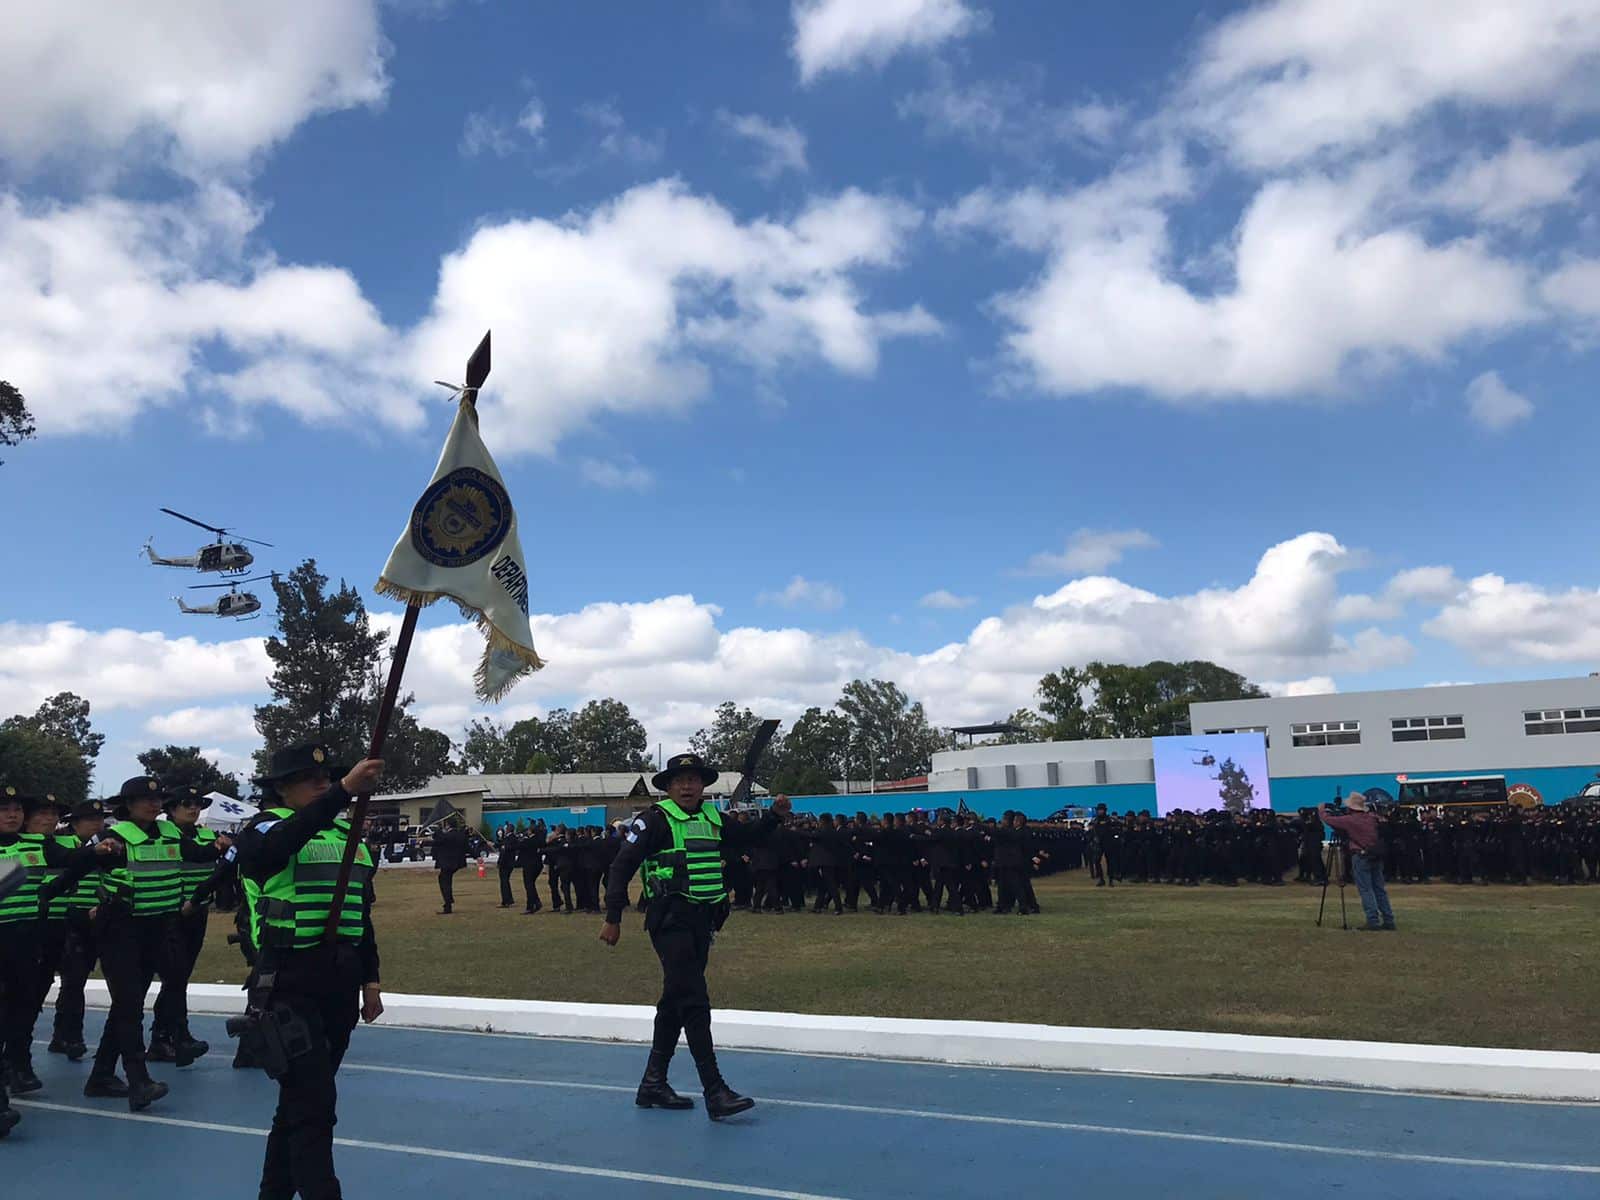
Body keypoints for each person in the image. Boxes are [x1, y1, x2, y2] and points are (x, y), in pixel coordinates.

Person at [600, 753, 791, 1119]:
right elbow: (621, 865)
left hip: (703, 922)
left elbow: (749, 836)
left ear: (703, 785)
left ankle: (653, 1084)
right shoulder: (653, 821)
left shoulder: (713, 818)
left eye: (693, 780)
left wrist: (774, 817)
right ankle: (714, 1090)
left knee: (675, 1002)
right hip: (669, 920)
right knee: (695, 1000)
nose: (687, 786)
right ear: (668, 787)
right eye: (679, 781)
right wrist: (613, 917)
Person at [234, 741, 385, 1200]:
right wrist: (340, 792)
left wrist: (371, 980)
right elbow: (275, 849)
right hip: (287, 983)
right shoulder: (262, 829)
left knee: (299, 1108)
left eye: (326, 777)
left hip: (338, 983)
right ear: (281, 789)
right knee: (315, 1107)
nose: (321, 782)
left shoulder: (349, 838)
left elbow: (361, 914)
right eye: (310, 778)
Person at [150, 787, 229, 1063]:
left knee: (179, 978)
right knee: (175, 976)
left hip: (198, 912)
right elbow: (199, 855)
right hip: (172, 912)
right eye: (186, 803)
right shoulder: (163, 835)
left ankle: (165, 1036)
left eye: (197, 804)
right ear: (171, 810)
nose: (193, 809)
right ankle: (174, 1036)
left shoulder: (208, 835)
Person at [48, 798, 110, 1060]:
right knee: (73, 980)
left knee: (77, 980)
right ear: (74, 823)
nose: (97, 824)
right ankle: (71, 1036)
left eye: (100, 819)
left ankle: (62, 1035)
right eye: (90, 820)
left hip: (97, 920)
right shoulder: (60, 845)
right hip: (67, 918)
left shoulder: (107, 848)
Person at [1319, 790, 1395, 932]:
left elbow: (1330, 821)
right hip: (1375, 854)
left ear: (1351, 808)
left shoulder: (1350, 820)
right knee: (1379, 889)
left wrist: (1322, 811)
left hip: (1361, 856)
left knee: (1366, 889)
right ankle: (1388, 919)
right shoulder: (1372, 817)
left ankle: (1373, 920)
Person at [430, 820, 468, 914]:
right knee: (447, 880)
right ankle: (448, 901)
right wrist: (476, 856)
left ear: (448, 826)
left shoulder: (447, 836)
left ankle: (448, 903)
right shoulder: (461, 835)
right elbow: (467, 847)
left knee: (444, 881)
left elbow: (437, 840)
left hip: (447, 863)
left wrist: (438, 830)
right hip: (457, 863)